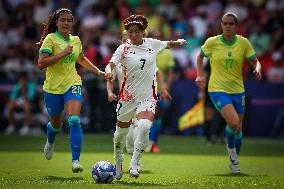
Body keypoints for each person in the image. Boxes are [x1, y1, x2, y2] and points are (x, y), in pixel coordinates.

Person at [105, 14, 186, 179]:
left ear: (143, 32)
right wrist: (107, 72)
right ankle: (118, 161)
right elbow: (110, 65)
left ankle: (134, 162)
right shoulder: (123, 49)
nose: (133, 35)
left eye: (136, 32)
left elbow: (167, 44)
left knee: (144, 127)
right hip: (127, 98)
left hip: (148, 96)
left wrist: (179, 42)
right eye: (130, 32)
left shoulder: (152, 44)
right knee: (120, 135)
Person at [37, 8, 106, 173]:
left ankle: (76, 160)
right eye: (63, 20)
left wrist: (98, 71)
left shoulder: (75, 40)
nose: (66, 23)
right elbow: (41, 63)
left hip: (73, 84)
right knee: (56, 125)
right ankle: (50, 141)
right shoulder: (50, 39)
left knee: (74, 119)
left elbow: (81, 59)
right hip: (53, 88)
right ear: (56, 22)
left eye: (69, 20)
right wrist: (62, 54)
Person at [195, 12, 262, 174]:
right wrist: (199, 74)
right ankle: (231, 150)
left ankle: (233, 159)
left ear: (236, 26)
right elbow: (200, 56)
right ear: (221, 25)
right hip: (217, 89)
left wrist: (258, 68)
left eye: (231, 24)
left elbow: (255, 61)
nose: (227, 26)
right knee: (233, 123)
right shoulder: (212, 42)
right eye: (225, 23)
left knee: (238, 129)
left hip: (238, 90)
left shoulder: (244, 43)